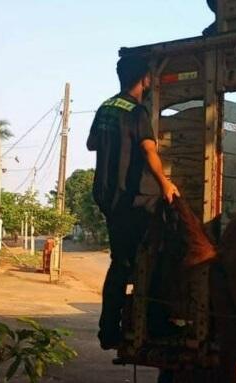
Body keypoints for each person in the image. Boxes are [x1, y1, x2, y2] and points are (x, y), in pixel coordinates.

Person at [87, 55, 179, 350]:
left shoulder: (105, 107)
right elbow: (149, 151)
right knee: (154, 258)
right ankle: (153, 322)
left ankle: (108, 329)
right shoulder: (137, 113)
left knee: (120, 262)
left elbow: (91, 143)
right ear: (143, 79)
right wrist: (166, 184)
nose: (151, 83)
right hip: (136, 199)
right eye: (150, 78)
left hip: (109, 197)